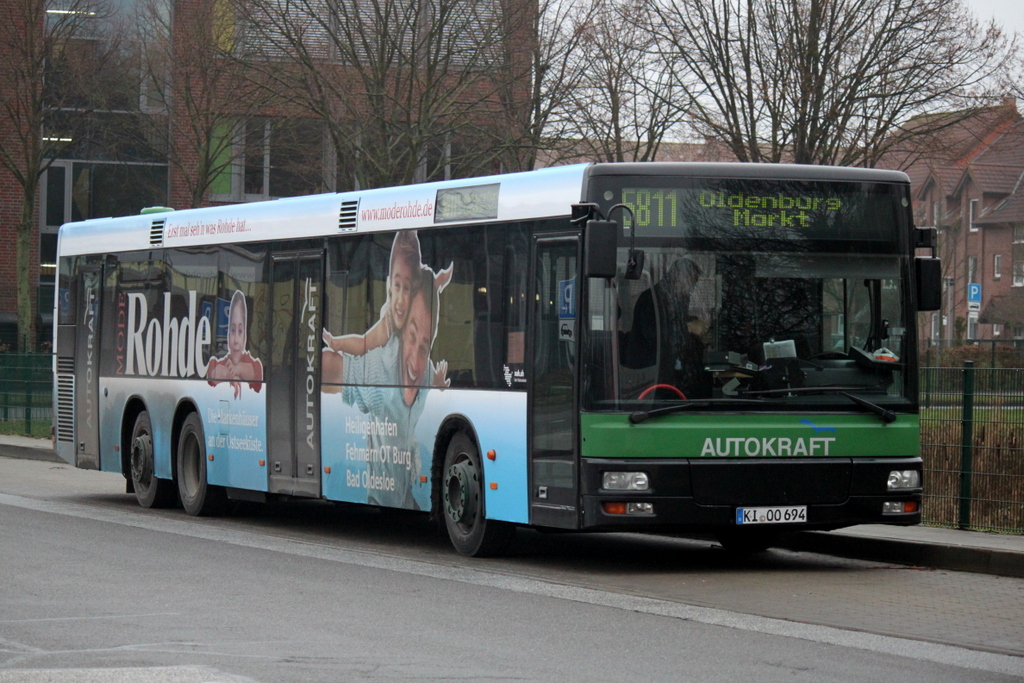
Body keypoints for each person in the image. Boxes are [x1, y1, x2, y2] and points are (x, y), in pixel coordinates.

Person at [337, 264, 452, 508]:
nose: (415, 362)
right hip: (380, 497)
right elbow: (341, 371)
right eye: (411, 337)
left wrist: (440, 383)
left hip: (405, 496)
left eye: (424, 348)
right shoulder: (380, 369)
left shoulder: (426, 372)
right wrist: (332, 348)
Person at [622, 258, 711, 398]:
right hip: (649, 375)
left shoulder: (677, 299)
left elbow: (675, 328)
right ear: (679, 277)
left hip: (670, 373)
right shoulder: (652, 299)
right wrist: (688, 327)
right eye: (691, 282)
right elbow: (654, 334)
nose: (692, 288)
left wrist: (698, 337)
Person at [207, 290, 263, 399]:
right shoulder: (217, 364)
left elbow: (256, 376)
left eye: (240, 331)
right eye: (233, 330)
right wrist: (230, 375)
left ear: (245, 337)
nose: (236, 340)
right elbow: (212, 374)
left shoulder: (255, 366)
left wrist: (238, 369)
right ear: (228, 335)